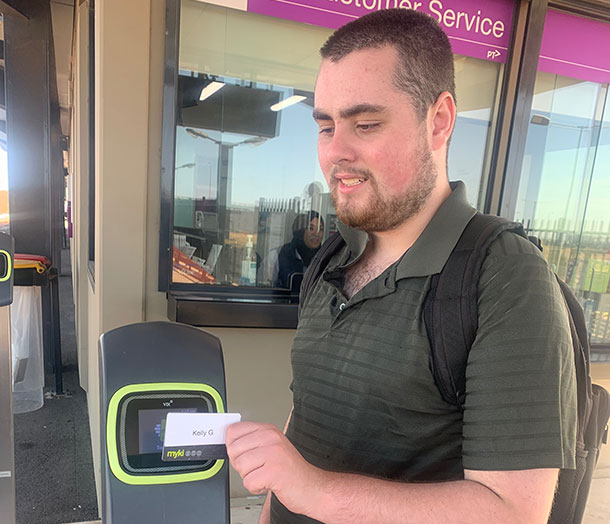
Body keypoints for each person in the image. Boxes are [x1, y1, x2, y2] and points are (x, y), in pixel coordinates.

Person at [226, 8, 576, 524]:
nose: (335, 153)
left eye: (365, 124)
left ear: (438, 121)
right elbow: (309, 411)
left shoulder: (502, 275)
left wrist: (319, 493)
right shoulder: (333, 257)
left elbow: (514, 512)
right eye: (326, 126)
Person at [261, 211, 325, 289]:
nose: (317, 234)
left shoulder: (326, 259)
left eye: (320, 229)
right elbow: (264, 288)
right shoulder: (276, 256)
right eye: (311, 228)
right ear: (300, 232)